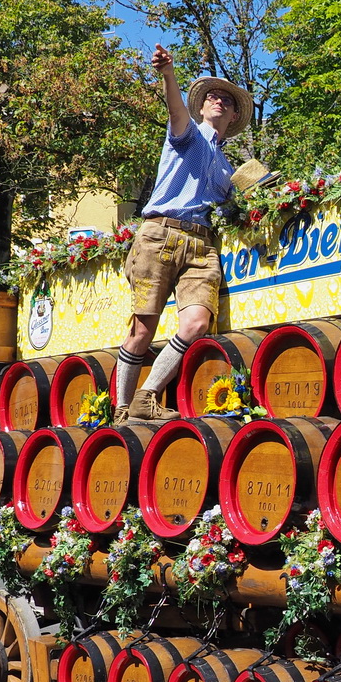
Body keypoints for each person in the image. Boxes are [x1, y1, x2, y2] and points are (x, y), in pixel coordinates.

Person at [112, 43, 253, 424]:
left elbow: (235, 209)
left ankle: (146, 395)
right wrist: (168, 74)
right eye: (212, 96)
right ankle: (122, 411)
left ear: (235, 113)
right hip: (159, 235)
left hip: (201, 245)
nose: (218, 100)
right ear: (202, 108)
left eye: (226, 98)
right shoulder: (186, 134)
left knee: (196, 324)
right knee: (143, 329)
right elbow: (175, 108)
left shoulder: (227, 168)